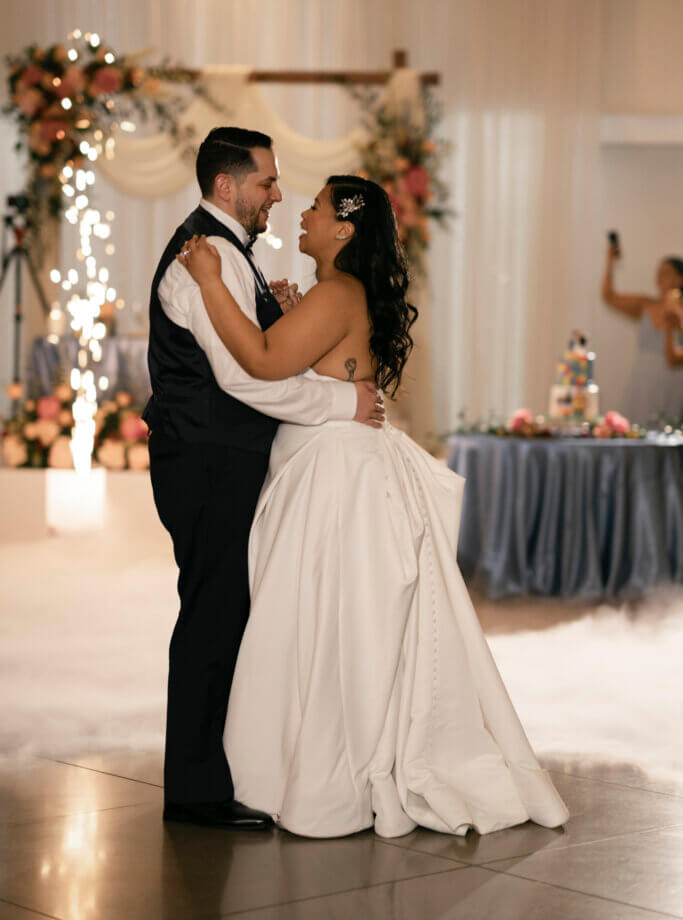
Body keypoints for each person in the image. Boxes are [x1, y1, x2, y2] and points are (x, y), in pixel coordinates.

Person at [177, 176, 570, 839]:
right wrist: (292, 309)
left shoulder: (337, 294)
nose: (301, 212)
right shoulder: (335, 295)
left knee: (316, 621)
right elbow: (315, 358)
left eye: (317, 207)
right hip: (333, 463)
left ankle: (319, 769)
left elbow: (263, 360)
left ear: (343, 230)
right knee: (319, 618)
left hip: (334, 480)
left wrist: (210, 279)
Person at [143, 129, 384, 831]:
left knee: (228, 614)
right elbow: (248, 376)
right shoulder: (208, 256)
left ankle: (221, 770)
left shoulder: (226, 255)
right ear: (227, 187)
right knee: (213, 617)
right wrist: (346, 402)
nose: (278, 195)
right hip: (207, 461)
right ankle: (194, 790)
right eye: (268, 183)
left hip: (220, 457)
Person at [601, 246, 683, 425]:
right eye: (658, 273)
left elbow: (673, 357)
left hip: (674, 385)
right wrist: (610, 262)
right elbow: (609, 296)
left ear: (679, 278)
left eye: (666, 273)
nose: (660, 277)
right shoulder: (646, 305)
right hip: (643, 384)